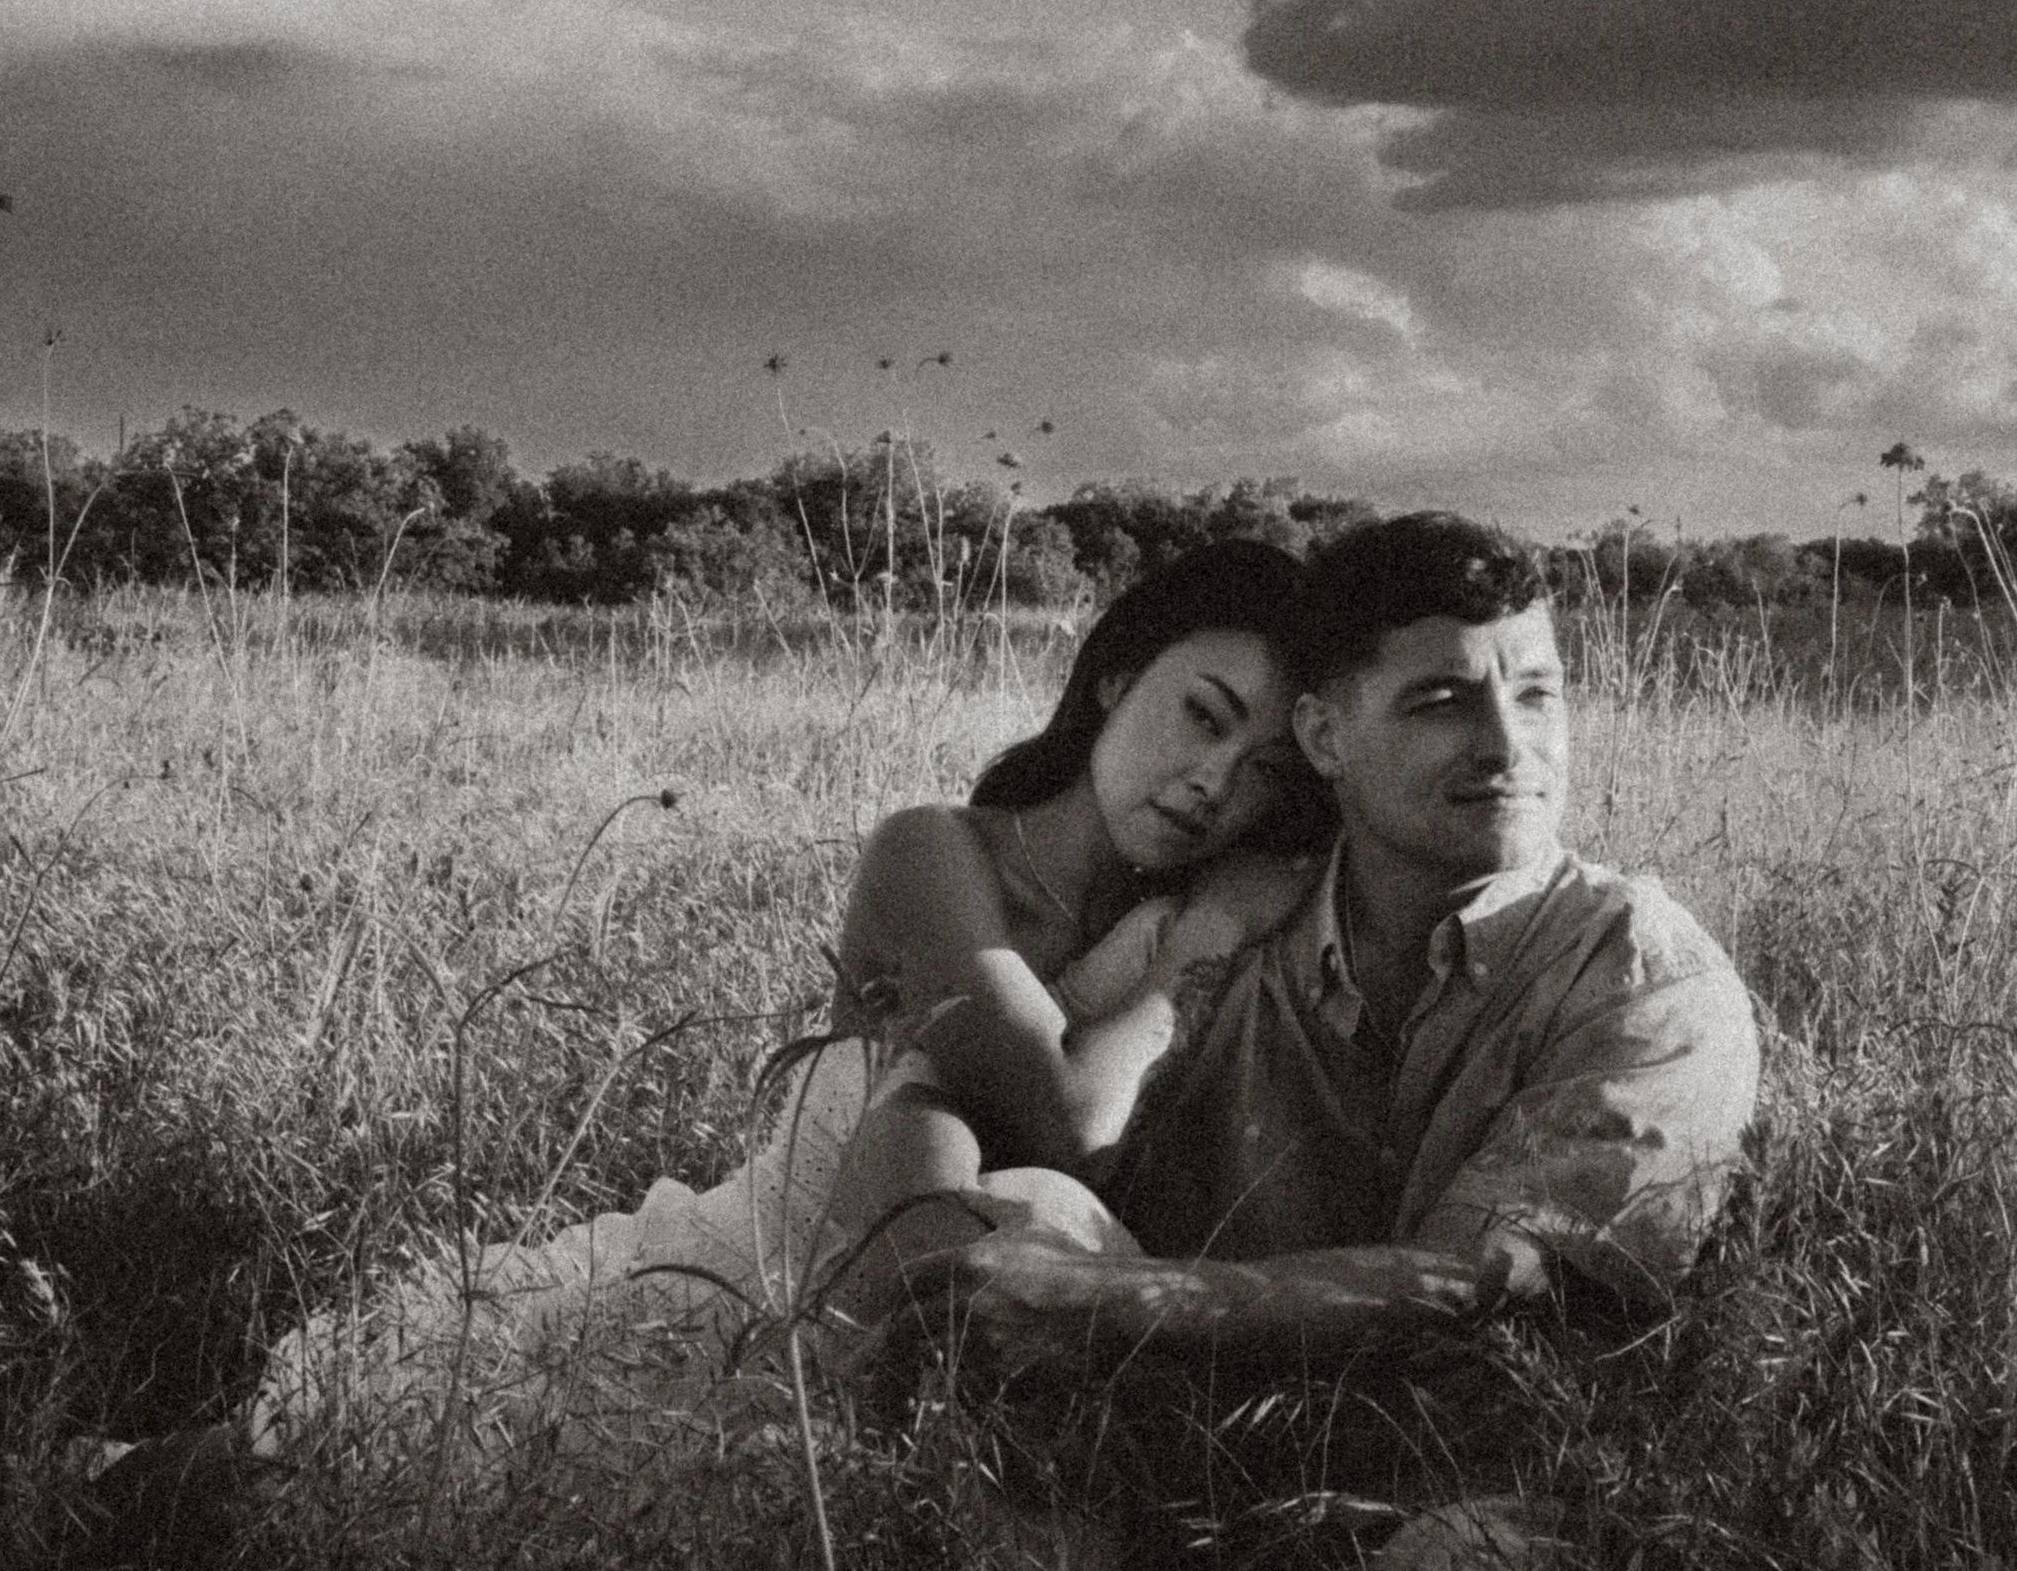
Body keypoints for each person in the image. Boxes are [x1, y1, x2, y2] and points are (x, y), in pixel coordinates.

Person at [907, 511, 1760, 1571]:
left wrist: (1136, 1307)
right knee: (1026, 1239)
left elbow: (1486, 1286)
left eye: (1540, 692)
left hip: (1464, 1478)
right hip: (1202, 1462)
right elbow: (1015, 1123)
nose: (1510, 744)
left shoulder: (1640, 970)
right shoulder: (1232, 928)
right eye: (1442, 699)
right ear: (1325, 735)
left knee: (1474, 1561)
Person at [243, 541, 1322, 1508]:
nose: (1213, 782)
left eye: (1265, 771)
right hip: (731, 1293)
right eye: (1203, 716)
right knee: (334, 1455)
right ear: (1114, 678)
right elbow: (1068, 1118)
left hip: (922, 1375)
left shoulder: (1164, 918)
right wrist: (1208, 935)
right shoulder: (938, 853)